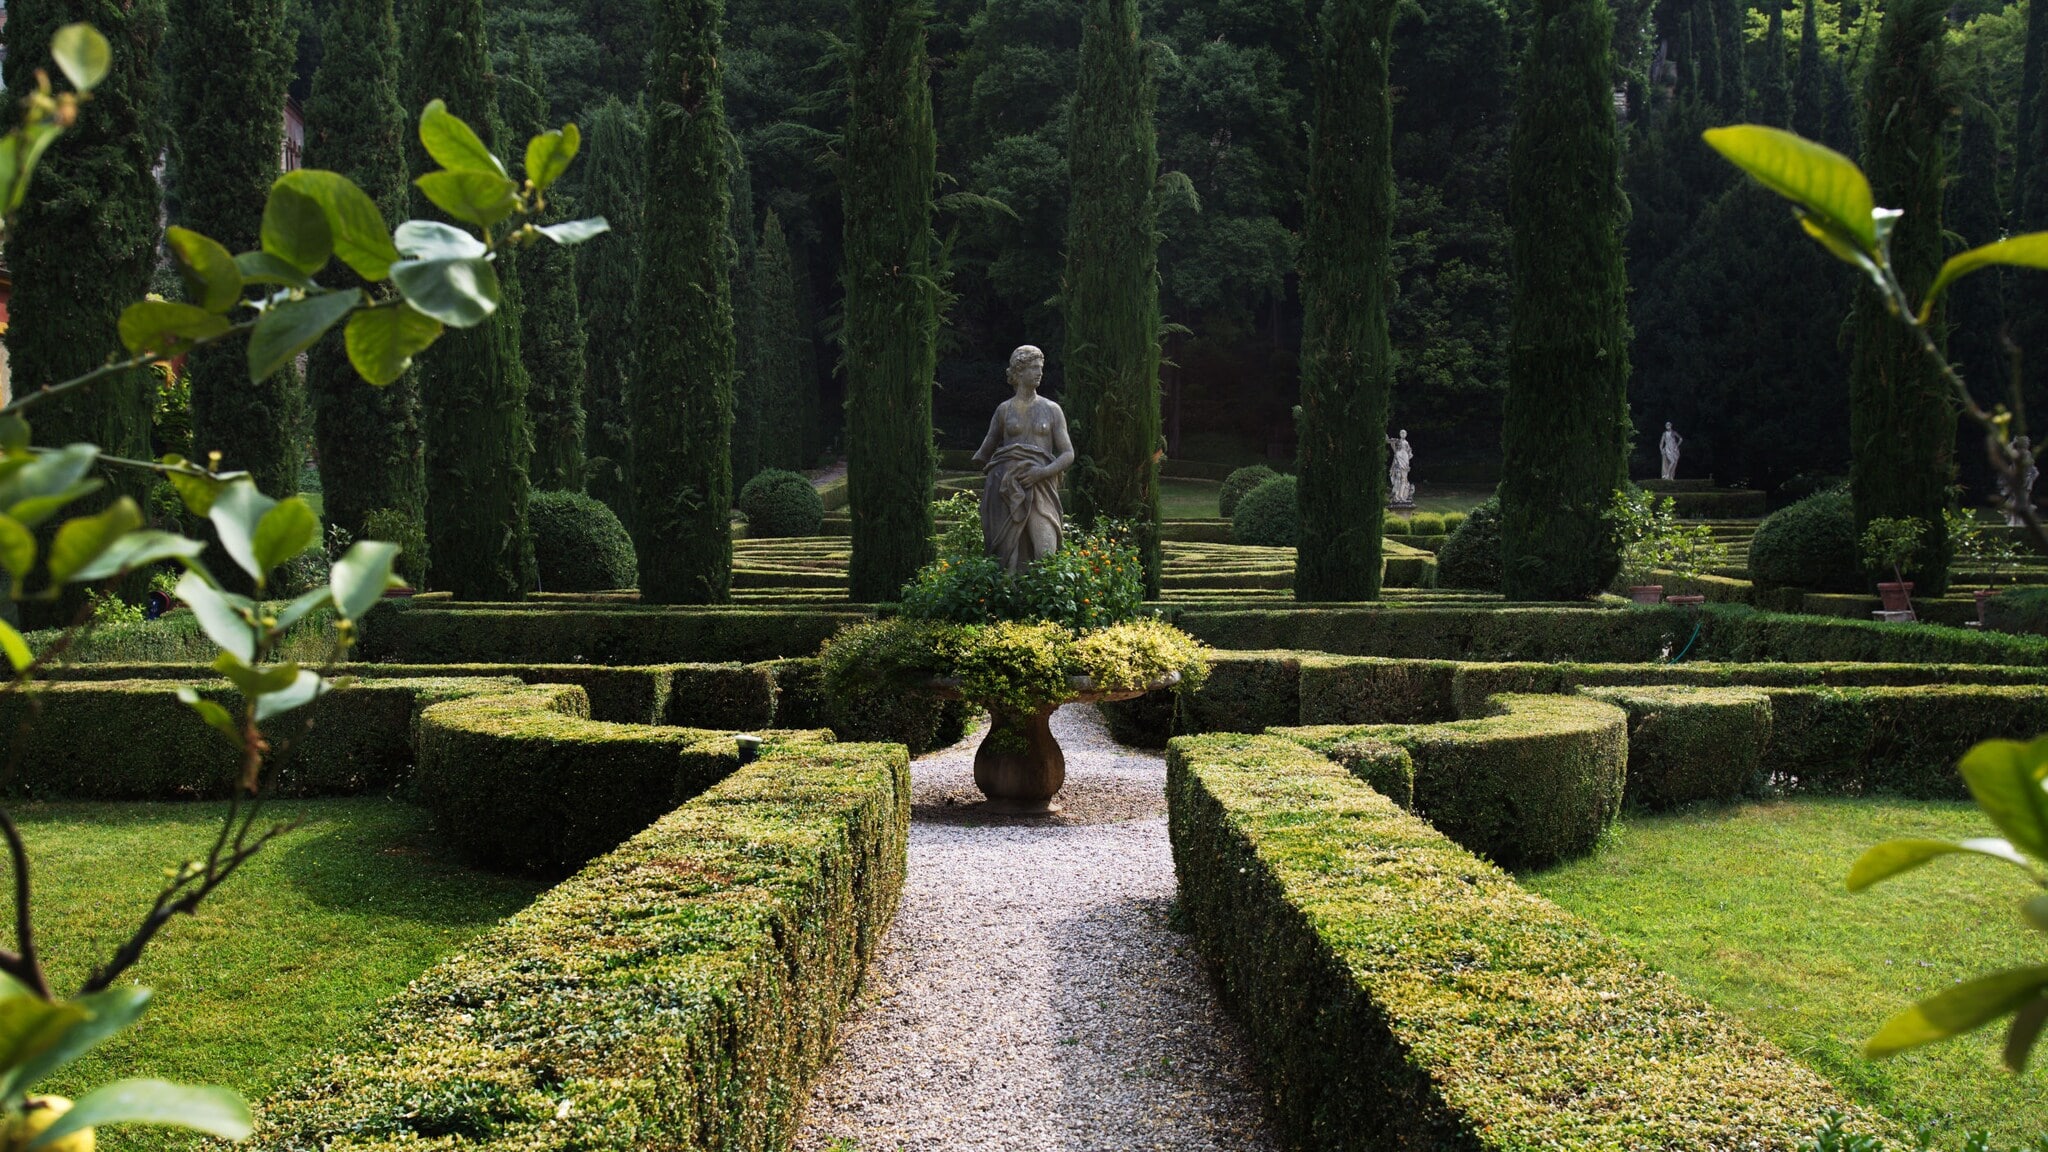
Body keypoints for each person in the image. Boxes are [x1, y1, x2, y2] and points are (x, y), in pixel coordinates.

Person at [972, 345, 1074, 572]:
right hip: (1007, 488)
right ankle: (1007, 601)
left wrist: (1043, 472)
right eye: (1033, 368)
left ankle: (1046, 601)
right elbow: (984, 452)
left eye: (1041, 368)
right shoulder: (1004, 410)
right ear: (1018, 372)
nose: (1039, 373)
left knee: (1046, 550)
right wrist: (993, 474)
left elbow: (1068, 453)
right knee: (1007, 557)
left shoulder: (1052, 409)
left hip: (1041, 486)